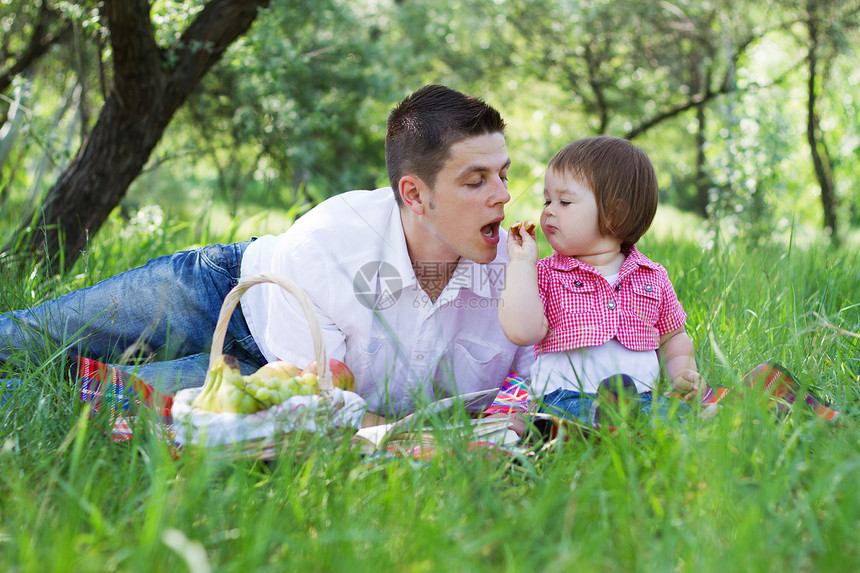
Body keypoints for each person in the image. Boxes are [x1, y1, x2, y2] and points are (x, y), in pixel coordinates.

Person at [0, 85, 534, 421]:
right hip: (220, 293)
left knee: (67, 396)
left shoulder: (517, 285)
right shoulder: (333, 239)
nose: (504, 196)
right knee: (25, 340)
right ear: (415, 194)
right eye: (477, 180)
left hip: (270, 375)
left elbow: (537, 388)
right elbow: (335, 409)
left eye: (504, 174)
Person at [498, 135, 706, 426]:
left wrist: (682, 371)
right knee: (568, 420)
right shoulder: (545, 274)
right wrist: (521, 264)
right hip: (562, 399)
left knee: (665, 412)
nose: (548, 211)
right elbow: (522, 331)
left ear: (615, 214)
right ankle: (587, 427)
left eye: (565, 201)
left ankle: (728, 414)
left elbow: (673, 337)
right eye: (547, 200)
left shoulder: (652, 277)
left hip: (640, 398)